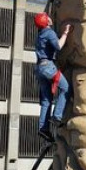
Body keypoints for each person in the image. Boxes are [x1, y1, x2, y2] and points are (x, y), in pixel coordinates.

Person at [33, 12, 73, 141]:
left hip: (39, 68)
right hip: (48, 67)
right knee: (65, 88)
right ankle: (57, 116)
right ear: (47, 21)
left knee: (46, 100)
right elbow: (58, 46)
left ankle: (43, 128)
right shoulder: (49, 33)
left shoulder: (40, 34)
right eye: (47, 17)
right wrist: (65, 33)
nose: (50, 17)